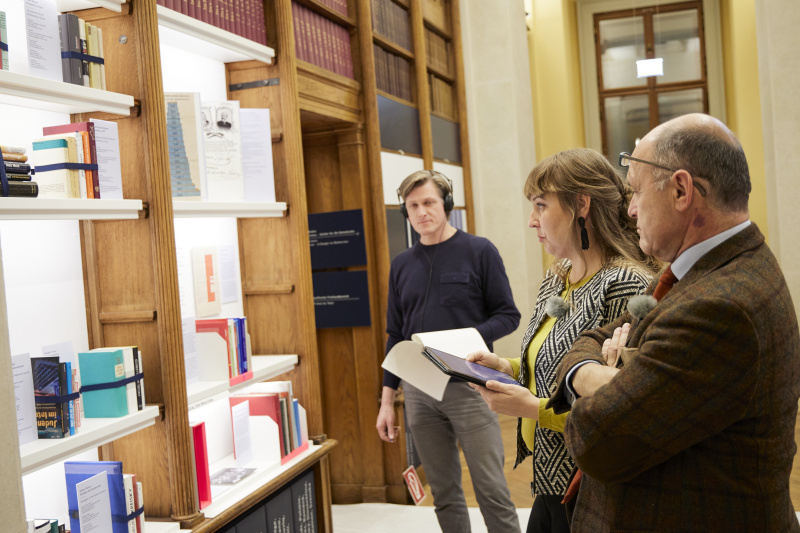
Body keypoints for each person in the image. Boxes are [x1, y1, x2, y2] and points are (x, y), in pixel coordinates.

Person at [546, 113, 800, 532]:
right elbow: (595, 336)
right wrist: (600, 376)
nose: (629, 210)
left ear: (681, 190)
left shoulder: (721, 307)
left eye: (635, 192)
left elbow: (598, 443)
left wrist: (592, 375)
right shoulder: (714, 270)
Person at [465, 148, 658, 533]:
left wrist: (535, 409)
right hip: (550, 478)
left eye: (540, 205)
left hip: (591, 485)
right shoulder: (559, 276)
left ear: (581, 204)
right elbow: (551, 364)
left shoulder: (625, 284)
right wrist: (507, 367)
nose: (532, 221)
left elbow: (624, 408)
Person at [376, 170, 522, 533]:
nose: (422, 212)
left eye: (429, 202)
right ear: (405, 213)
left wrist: (468, 337)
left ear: (446, 205)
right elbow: (395, 334)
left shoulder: (479, 251)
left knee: (491, 490)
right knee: (443, 491)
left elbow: (508, 315)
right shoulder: (401, 265)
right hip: (418, 391)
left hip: (470, 385)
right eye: (413, 206)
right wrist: (386, 399)